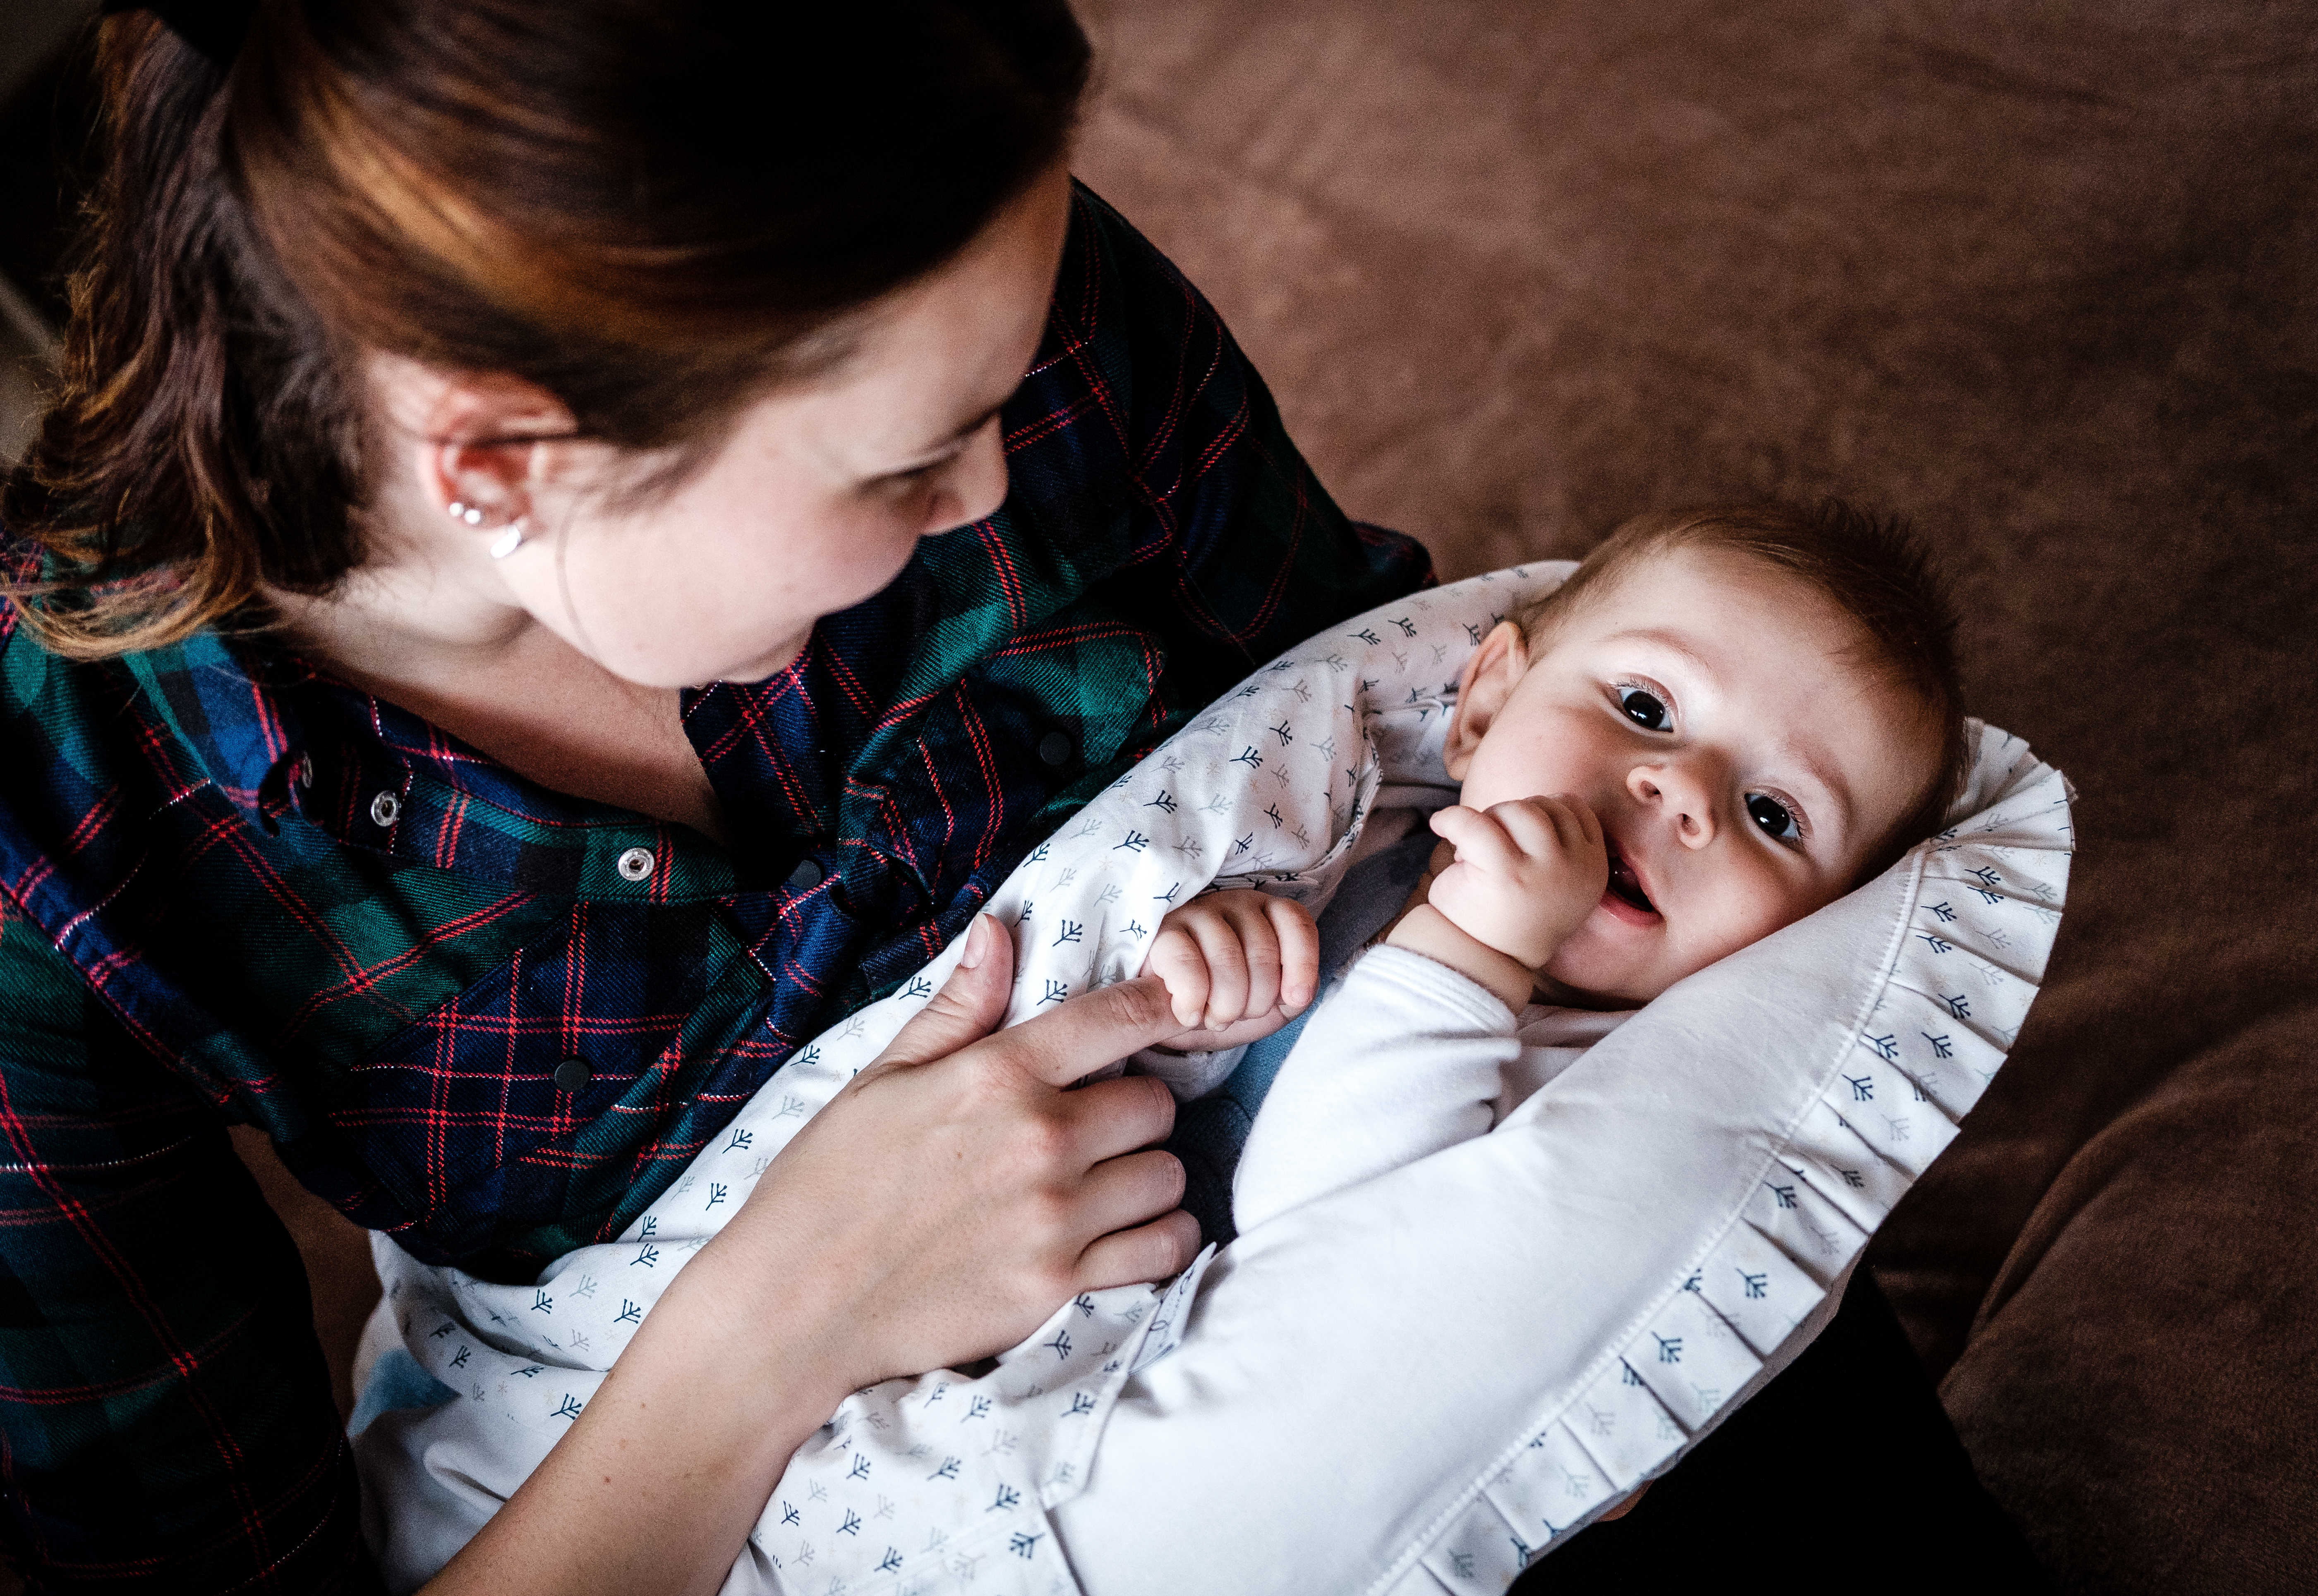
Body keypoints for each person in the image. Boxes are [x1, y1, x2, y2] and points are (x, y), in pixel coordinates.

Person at [0, 2, 1431, 1589]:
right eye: (901, 472)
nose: (991, 481)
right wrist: (785, 1315)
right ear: (497, 460)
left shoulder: (969, 284)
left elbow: (1373, 700)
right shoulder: (50, 866)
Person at [1127, 501, 1969, 1230]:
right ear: (1485, 709)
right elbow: (1162, 1088)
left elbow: (1307, 1221)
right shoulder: (1350, 852)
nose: (1684, 791)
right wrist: (1196, 993)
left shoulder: (1609, 1090)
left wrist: (1478, 952)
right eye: (1646, 707)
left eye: (1773, 815)